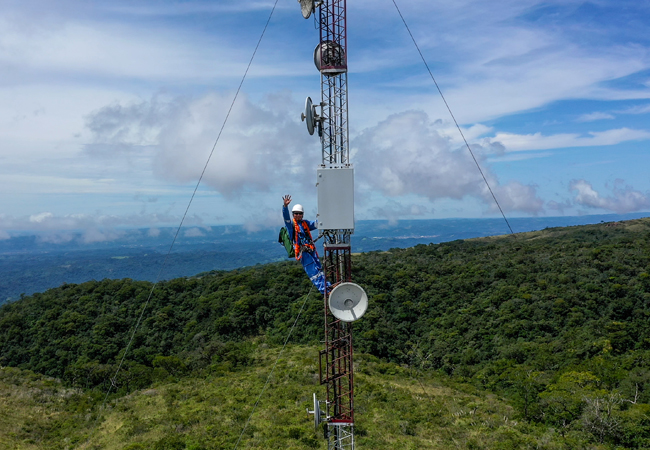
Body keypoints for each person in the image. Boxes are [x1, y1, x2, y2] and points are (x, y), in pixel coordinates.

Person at [282, 195, 329, 294]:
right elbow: (286, 219)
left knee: (318, 269)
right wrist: (285, 207)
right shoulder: (291, 226)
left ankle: (327, 286)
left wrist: (326, 217)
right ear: (293, 214)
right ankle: (324, 290)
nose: (298, 215)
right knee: (313, 272)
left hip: (310, 249)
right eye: (296, 213)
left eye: (300, 213)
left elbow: (316, 224)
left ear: (302, 214)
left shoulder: (305, 223)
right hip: (302, 252)